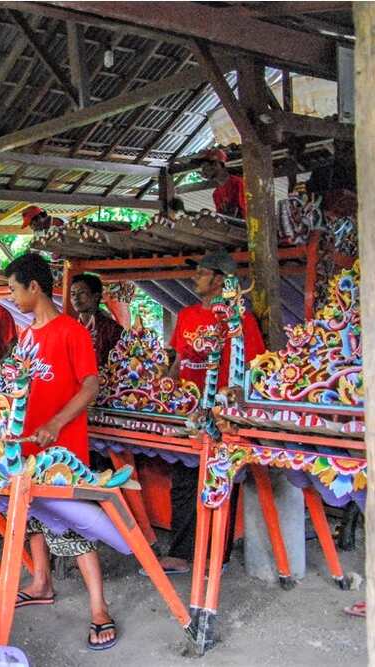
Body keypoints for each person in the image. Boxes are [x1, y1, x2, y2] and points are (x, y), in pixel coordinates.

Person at [4, 252, 117, 651]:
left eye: (15, 289)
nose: (13, 297)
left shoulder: (72, 331)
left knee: (73, 525)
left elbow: (90, 386)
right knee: (34, 515)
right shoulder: (26, 335)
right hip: (29, 443)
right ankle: (41, 582)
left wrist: (55, 423)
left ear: (34, 287)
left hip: (64, 448)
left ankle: (99, 608)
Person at [159, 249, 266, 573]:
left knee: (219, 482)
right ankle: (180, 553)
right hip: (188, 410)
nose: (195, 277)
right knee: (183, 480)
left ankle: (216, 557)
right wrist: (165, 388)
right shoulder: (187, 315)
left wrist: (234, 409)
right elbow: (178, 361)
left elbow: (253, 368)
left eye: (201, 273)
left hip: (222, 417)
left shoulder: (241, 320)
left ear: (219, 279)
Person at [69, 273, 124, 367]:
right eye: (73, 294)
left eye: (82, 293)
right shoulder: (69, 329)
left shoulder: (112, 329)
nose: (75, 298)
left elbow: (121, 362)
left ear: (96, 296)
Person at [196, 148, 246, 219]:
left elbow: (250, 211)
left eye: (205, 167)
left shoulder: (239, 183)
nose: (203, 172)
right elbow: (222, 219)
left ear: (217, 164)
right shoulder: (216, 194)